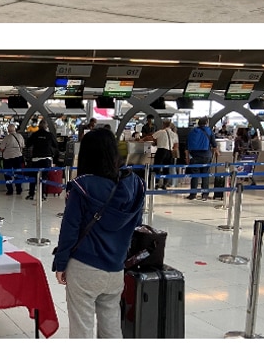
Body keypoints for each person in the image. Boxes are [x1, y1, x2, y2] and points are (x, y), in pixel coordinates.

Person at [51, 127, 144, 339]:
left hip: (85, 268)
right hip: (116, 268)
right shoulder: (134, 183)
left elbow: (70, 230)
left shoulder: (83, 186)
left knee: (82, 328)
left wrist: (61, 264)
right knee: (111, 326)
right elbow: (136, 223)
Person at [185, 119, 213, 200]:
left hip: (194, 157)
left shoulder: (192, 132)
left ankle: (193, 194)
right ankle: (205, 194)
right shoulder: (209, 131)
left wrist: (187, 157)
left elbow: (187, 146)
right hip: (206, 156)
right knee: (205, 175)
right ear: (206, 123)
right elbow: (213, 143)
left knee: (195, 176)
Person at [151, 119, 179, 190]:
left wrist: (156, 142)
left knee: (157, 167)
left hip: (161, 151)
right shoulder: (174, 134)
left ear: (163, 124)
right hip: (169, 152)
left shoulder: (161, 132)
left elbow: (152, 137)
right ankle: (165, 184)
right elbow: (176, 146)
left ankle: (156, 183)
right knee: (166, 168)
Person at [0, 123, 26, 197]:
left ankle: (10, 190)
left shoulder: (7, 138)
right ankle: (19, 189)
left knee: (7, 174)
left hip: (8, 157)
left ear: (8, 130)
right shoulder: (20, 136)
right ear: (15, 129)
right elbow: (23, 146)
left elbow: (1, 148)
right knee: (18, 173)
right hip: (18, 156)